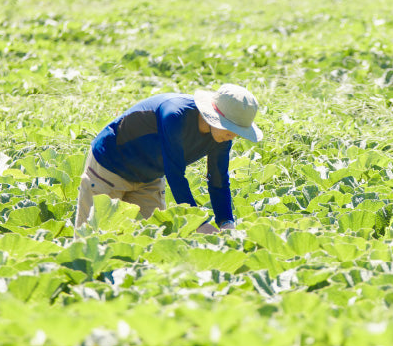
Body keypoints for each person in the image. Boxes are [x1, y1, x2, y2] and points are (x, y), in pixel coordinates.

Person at [74, 84, 262, 234]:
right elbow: (175, 174)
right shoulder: (175, 115)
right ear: (213, 116)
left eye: (237, 131)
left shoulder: (222, 137)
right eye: (230, 128)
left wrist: (226, 222)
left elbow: (218, 180)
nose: (233, 136)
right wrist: (198, 222)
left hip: (149, 177)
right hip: (109, 166)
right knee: (91, 238)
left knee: (149, 241)